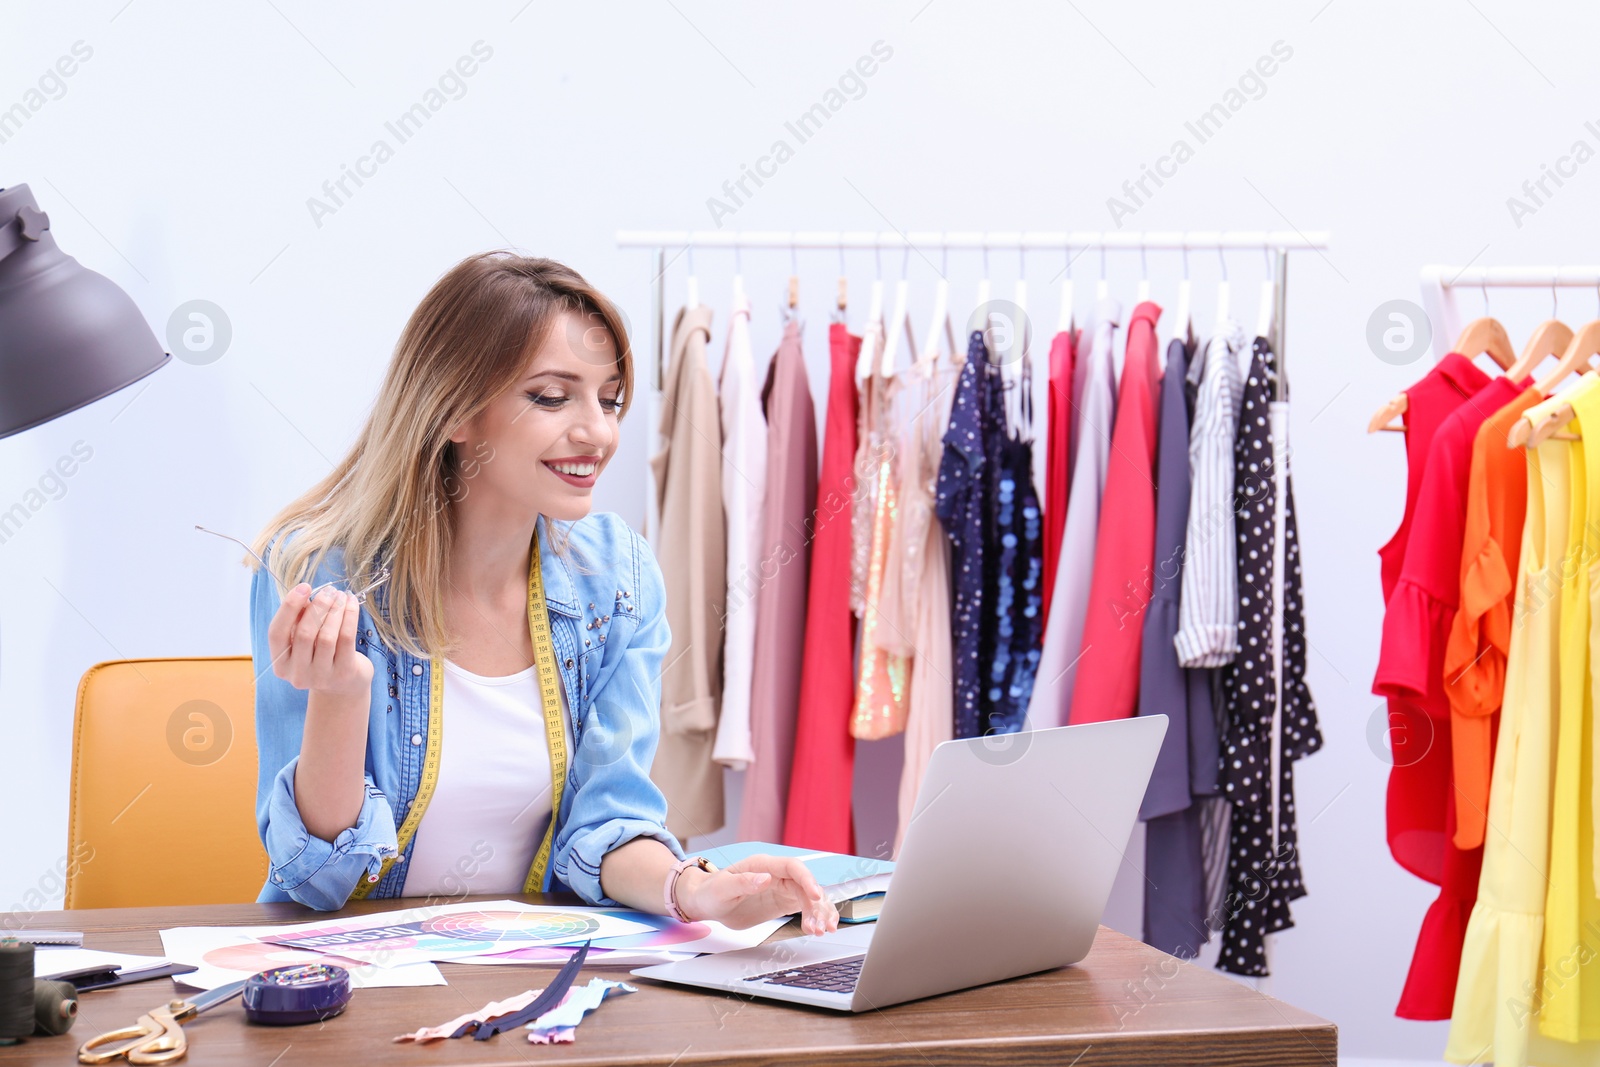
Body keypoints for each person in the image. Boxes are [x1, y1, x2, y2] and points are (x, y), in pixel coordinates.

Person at [248, 251, 838, 936]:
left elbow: (608, 823)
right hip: (349, 990)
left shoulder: (617, 577)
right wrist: (342, 696)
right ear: (455, 410)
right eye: (553, 397)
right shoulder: (320, 569)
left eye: (609, 398)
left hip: (531, 989)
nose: (599, 432)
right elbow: (317, 880)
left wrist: (695, 889)